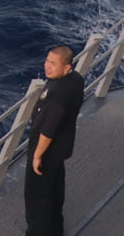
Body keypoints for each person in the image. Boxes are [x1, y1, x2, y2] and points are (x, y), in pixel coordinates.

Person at [25, 45, 85, 236]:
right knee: (55, 192)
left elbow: (48, 130)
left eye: (53, 63)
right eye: (47, 61)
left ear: (66, 67)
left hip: (46, 154)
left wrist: (37, 156)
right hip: (61, 149)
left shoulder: (57, 94)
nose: (47, 66)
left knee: (37, 200)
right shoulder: (76, 80)